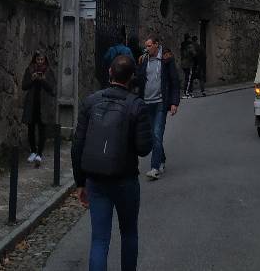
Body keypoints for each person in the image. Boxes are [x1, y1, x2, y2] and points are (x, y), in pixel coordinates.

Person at [73, 55, 152, 271]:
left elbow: (78, 144)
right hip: (125, 179)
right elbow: (144, 148)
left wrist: (80, 183)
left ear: (109, 72)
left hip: (96, 180)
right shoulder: (136, 105)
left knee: (99, 239)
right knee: (128, 233)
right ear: (132, 77)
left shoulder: (90, 102)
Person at [136, 33, 180, 179]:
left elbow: (174, 81)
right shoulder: (144, 60)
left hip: (161, 102)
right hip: (146, 102)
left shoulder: (166, 59)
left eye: (149, 46)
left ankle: (155, 168)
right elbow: (139, 80)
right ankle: (161, 159)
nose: (146, 48)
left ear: (156, 45)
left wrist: (174, 102)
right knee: (152, 135)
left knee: (157, 133)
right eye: (146, 46)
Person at [22, 51, 56, 165]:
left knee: (42, 129)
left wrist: (42, 79)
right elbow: (24, 86)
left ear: (45, 60)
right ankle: (33, 151)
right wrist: (32, 79)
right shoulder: (30, 69)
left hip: (44, 105)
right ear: (35, 60)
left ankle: (40, 153)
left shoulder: (49, 71)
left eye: (42, 60)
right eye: (38, 59)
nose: (40, 62)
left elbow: (51, 89)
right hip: (32, 104)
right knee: (30, 128)